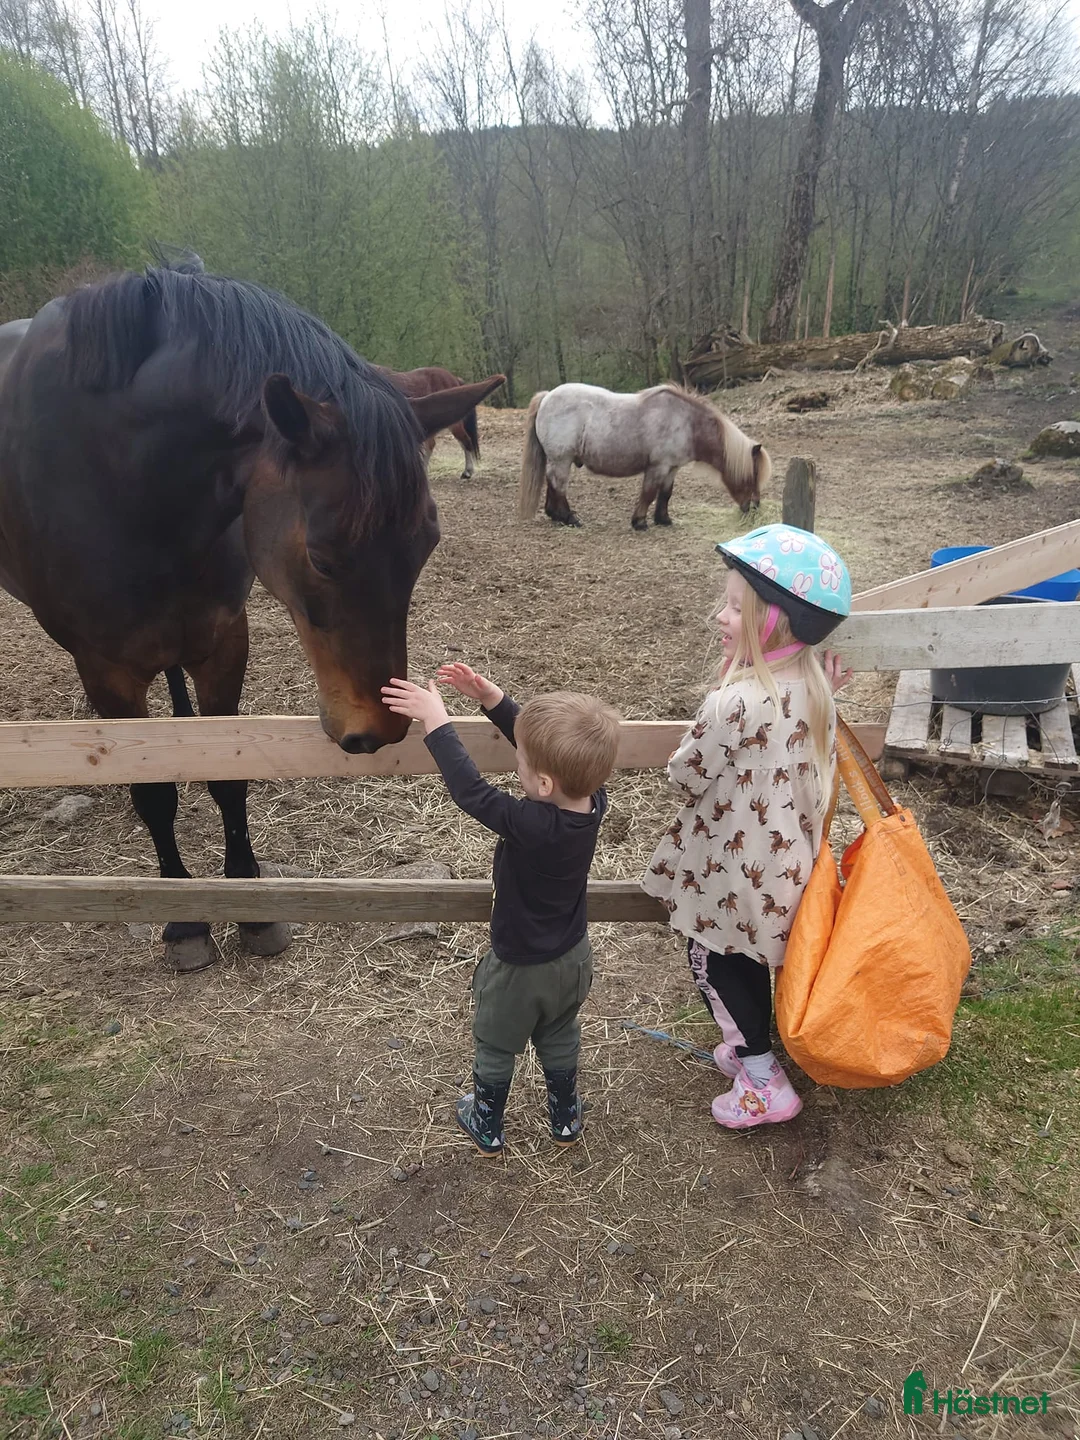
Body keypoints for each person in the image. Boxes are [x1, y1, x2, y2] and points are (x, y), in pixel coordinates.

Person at [642, 523, 852, 1130]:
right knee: (755, 959)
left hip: (729, 872)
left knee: (714, 959)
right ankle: (750, 1047)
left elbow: (686, 774)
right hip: (788, 862)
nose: (720, 614)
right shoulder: (817, 688)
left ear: (772, 620)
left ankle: (763, 1078)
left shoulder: (732, 702)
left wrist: (717, 691)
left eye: (736, 606)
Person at [381, 665, 621, 1156]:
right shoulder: (593, 802)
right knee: (559, 1033)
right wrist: (494, 700)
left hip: (518, 966)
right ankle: (566, 1118)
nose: (517, 768)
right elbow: (548, 752)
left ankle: (486, 1121)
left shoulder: (533, 824)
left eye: (523, 765)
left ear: (545, 784)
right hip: (573, 957)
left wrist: (438, 723)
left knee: (495, 1042)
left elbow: (470, 791)